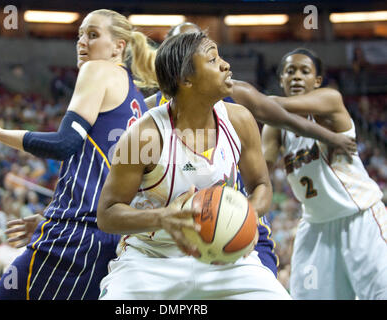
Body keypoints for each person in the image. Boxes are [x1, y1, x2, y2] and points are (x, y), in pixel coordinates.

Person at [0, 9, 157, 300]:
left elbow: (65, 143)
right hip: (113, 238)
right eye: (80, 35)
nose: (82, 42)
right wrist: (46, 218)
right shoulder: (138, 99)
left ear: (119, 46)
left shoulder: (97, 70)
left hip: (75, 235)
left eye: (93, 34)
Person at [144, 22, 357, 277]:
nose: (197, 49)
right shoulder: (149, 115)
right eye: (187, 45)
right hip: (175, 228)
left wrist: (330, 137)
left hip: (238, 206)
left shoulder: (236, 94)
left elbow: (283, 117)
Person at [96, 31, 291, 299]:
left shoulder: (240, 120)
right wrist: (162, 218)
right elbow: (106, 215)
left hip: (226, 259)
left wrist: (246, 215)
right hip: (152, 260)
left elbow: (261, 185)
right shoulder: (144, 135)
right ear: (185, 79)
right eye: (213, 60)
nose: (225, 65)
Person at [261, 48, 387, 300]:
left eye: (304, 71)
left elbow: (268, 105)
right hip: (315, 225)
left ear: (317, 81)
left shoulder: (330, 100)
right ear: (282, 80)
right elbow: (261, 173)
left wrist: (238, 94)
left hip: (359, 217)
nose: (296, 76)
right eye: (290, 71)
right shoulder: (274, 128)